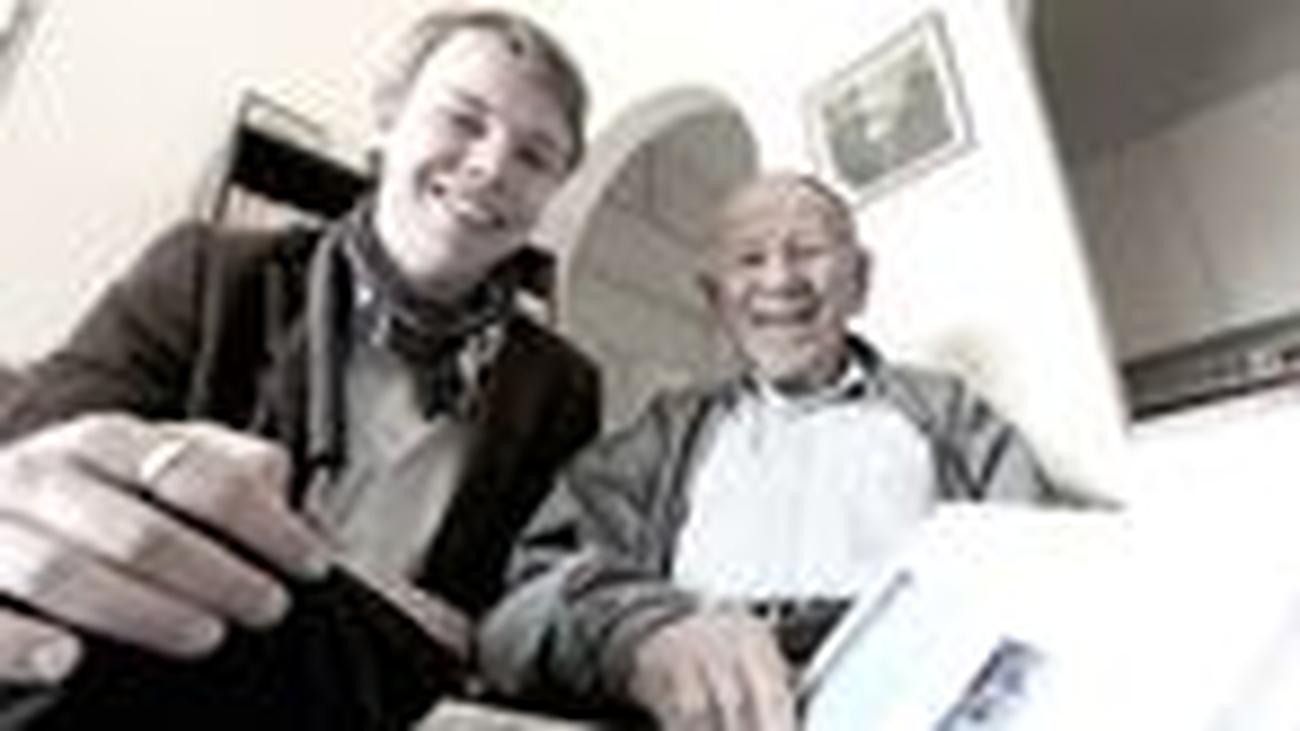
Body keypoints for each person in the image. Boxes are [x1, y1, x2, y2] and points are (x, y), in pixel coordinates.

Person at [0, 8, 598, 728]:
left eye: (534, 156)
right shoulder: (204, 275)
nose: (492, 165)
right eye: (463, 120)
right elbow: (35, 479)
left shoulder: (563, 389)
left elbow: (516, 609)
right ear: (387, 125)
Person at [478, 172, 1065, 730]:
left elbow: (1045, 568)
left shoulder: (950, 414)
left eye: (807, 251)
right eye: (750, 259)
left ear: (859, 281)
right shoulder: (663, 434)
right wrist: (643, 632)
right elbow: (529, 600)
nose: (780, 280)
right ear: (715, 297)